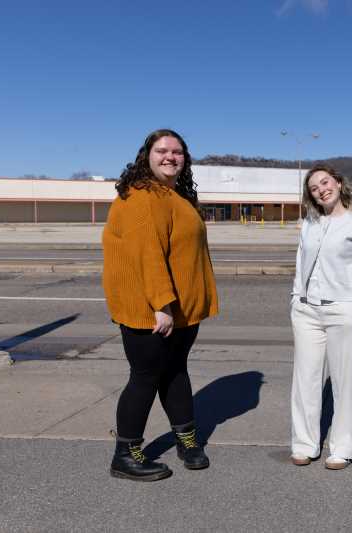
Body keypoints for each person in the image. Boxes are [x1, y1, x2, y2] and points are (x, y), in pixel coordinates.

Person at [102, 128, 218, 482]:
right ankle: (126, 454)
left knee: (175, 370)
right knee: (145, 377)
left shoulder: (173, 195)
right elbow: (147, 252)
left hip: (180, 310)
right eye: (162, 150)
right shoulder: (140, 195)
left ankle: (186, 441)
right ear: (146, 156)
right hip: (152, 310)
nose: (170, 156)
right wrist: (162, 304)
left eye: (177, 151)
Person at [289, 164, 352, 470]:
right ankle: (304, 444)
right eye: (314, 188)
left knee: (345, 382)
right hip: (307, 311)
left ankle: (344, 447)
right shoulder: (309, 224)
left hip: (343, 311)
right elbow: (300, 264)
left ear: (338, 183)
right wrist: (296, 299)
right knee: (306, 380)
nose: (321, 190)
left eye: (325, 183)